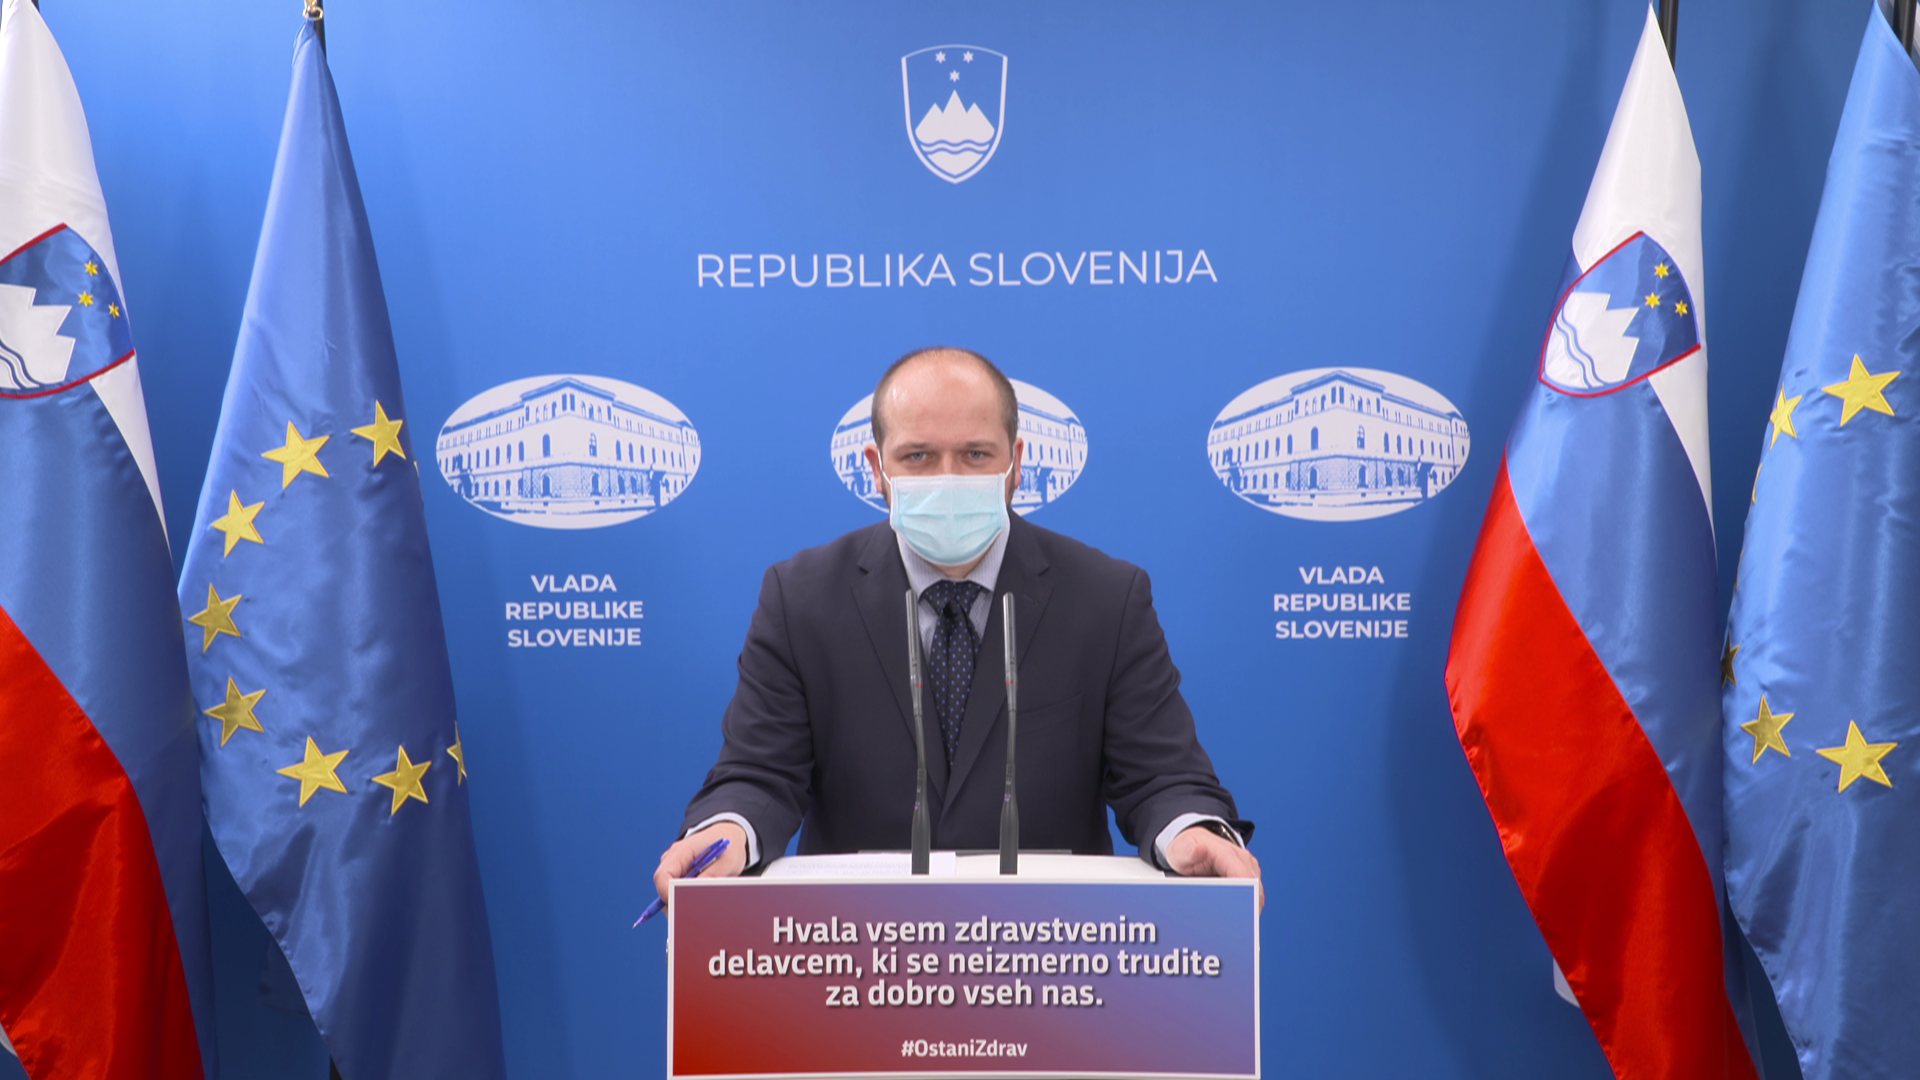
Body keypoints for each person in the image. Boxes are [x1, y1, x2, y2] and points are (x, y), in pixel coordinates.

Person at [654, 347, 1258, 899]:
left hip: (1053, 944)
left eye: (975, 454)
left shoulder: (1106, 598)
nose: (948, 478)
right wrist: (725, 835)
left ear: (1015, 463)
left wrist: (1193, 834)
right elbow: (759, 775)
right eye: (918, 456)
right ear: (876, 469)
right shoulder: (801, 598)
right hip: (854, 943)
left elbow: (1162, 778)